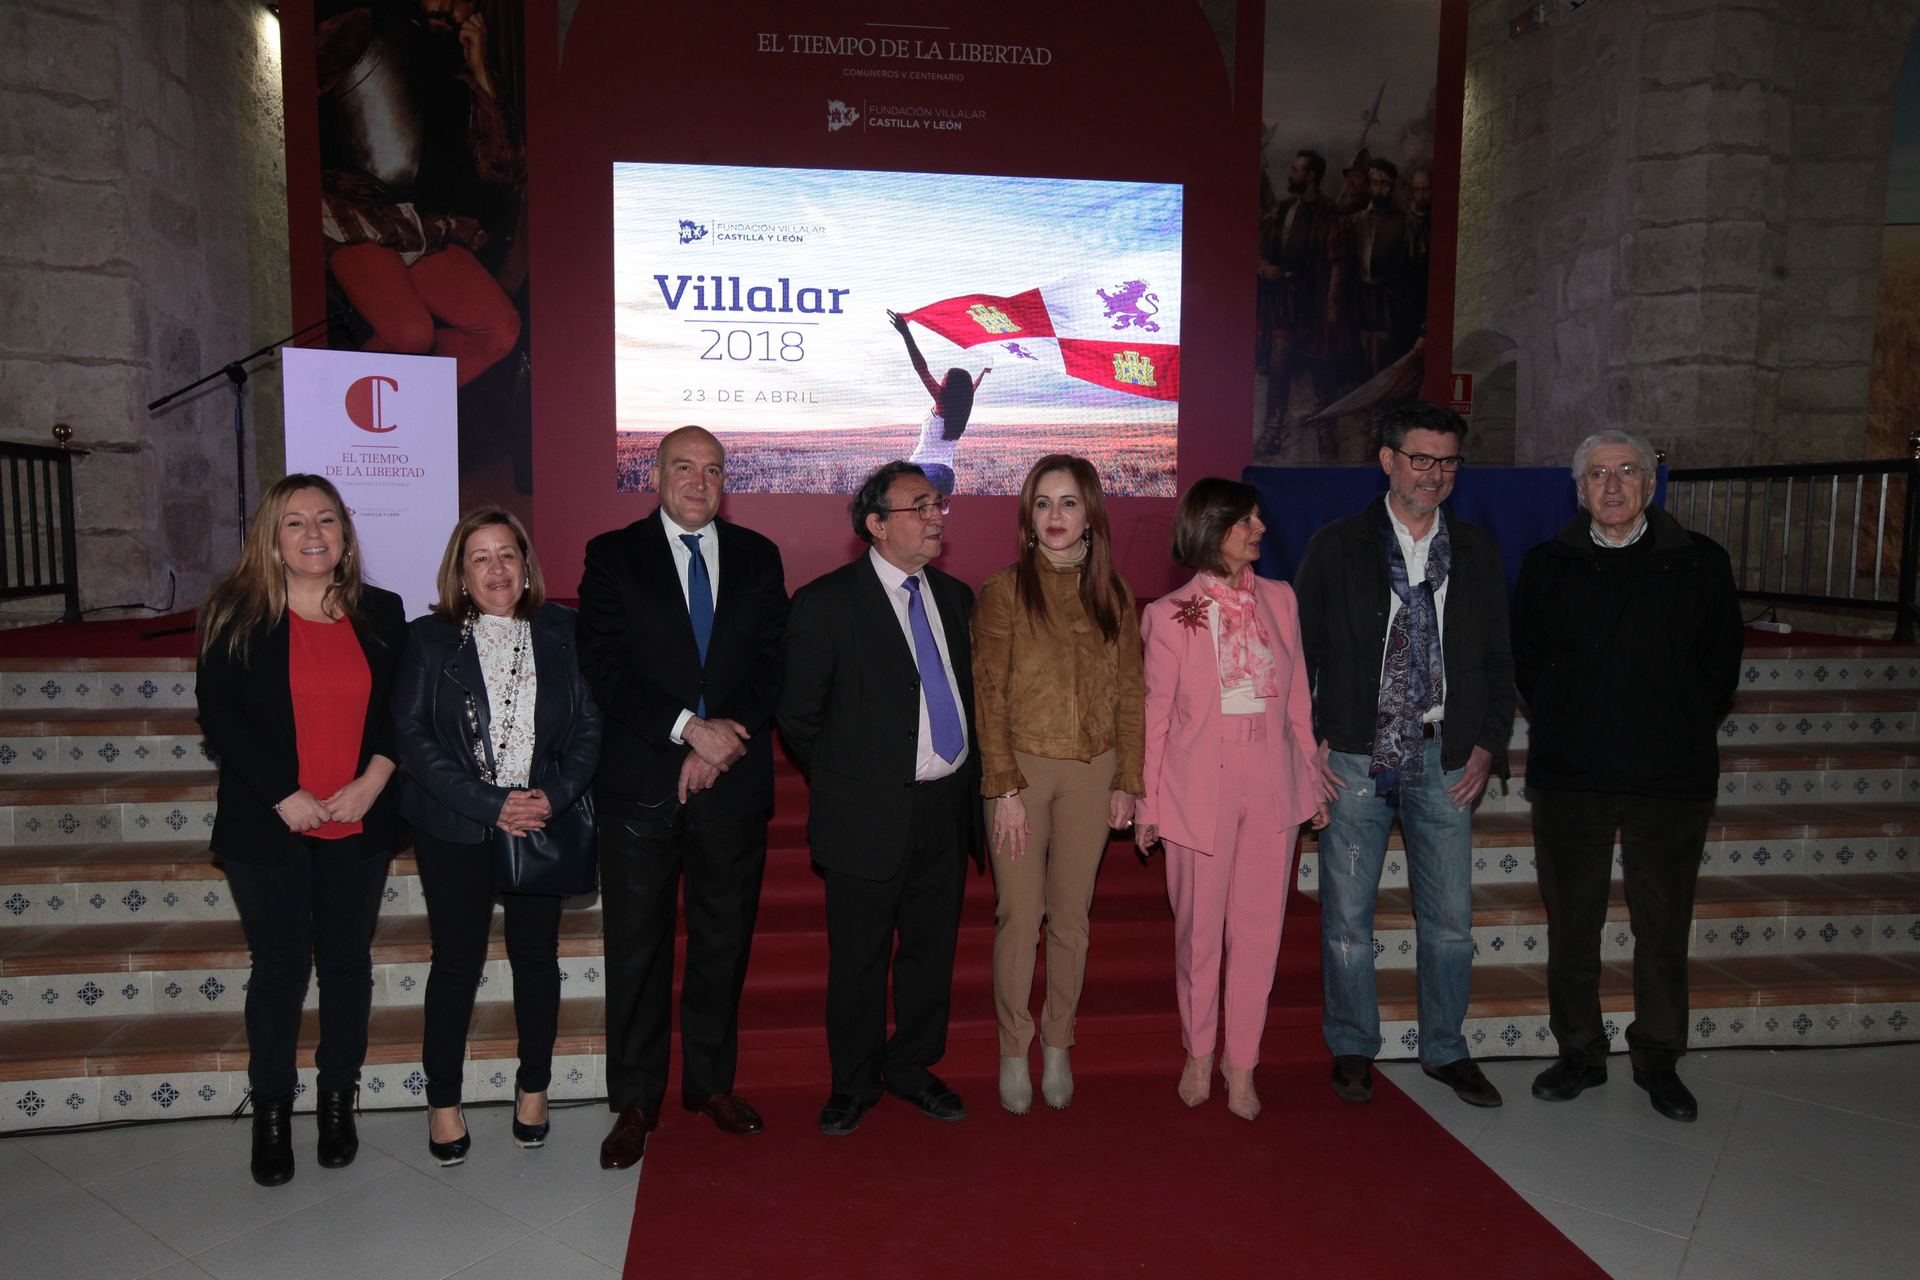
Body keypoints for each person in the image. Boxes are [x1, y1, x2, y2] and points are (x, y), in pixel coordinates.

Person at [577, 426, 789, 1171]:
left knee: (721, 942)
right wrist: (687, 730)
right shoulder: (612, 556)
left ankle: (710, 1085)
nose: (698, 481)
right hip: (642, 784)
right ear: (655, 475)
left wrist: (721, 742)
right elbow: (604, 666)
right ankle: (636, 1101)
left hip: (731, 784)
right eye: (683, 467)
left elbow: (772, 664)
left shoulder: (760, 557)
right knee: (637, 948)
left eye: (712, 469)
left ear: (725, 482)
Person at [1514, 430, 1743, 1123]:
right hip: (1571, 776)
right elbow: (1527, 665)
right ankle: (1580, 1052)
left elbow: (1719, 669)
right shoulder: (1546, 564)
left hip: (1668, 776)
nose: (1611, 486)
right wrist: (1569, 721)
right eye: (1597, 475)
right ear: (1578, 489)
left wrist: (1672, 726)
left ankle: (1659, 1058)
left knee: (1664, 926)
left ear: (1651, 484)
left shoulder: (1700, 563)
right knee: (1573, 926)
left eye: (1627, 472)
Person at [1294, 400, 1513, 1109]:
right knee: (1348, 919)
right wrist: (1309, 740)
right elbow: (1302, 651)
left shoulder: (1477, 549)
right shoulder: (1335, 545)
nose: (1434, 474)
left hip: (1445, 757)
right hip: (1356, 756)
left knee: (1449, 921)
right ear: (1387, 460)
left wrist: (1487, 743)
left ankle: (1446, 1048)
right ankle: (1354, 1043)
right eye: (1420, 458)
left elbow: (1499, 656)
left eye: (1447, 461)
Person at [195, 474, 407, 1187]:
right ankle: (274, 1111)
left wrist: (374, 781)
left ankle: (339, 1102)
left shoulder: (382, 609)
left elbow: (400, 712)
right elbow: (220, 715)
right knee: (281, 968)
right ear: (272, 537)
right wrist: (284, 794)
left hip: (356, 818)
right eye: (295, 522)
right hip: (270, 824)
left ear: (345, 533)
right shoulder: (236, 610)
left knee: (347, 965)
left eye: (327, 519)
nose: (313, 533)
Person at [391, 509, 603, 1165]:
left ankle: (533, 1089)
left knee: (537, 959)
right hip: (455, 825)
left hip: (542, 818)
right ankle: (444, 1101)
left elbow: (592, 726)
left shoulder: (566, 630)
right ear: (460, 572)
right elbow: (413, 740)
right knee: (456, 962)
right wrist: (491, 805)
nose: (496, 569)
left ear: (526, 563)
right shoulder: (426, 639)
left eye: (507, 554)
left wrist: (554, 796)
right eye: (479, 558)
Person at [778, 461, 981, 1136]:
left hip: (944, 809)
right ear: (876, 524)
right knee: (860, 958)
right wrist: (854, 781)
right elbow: (799, 717)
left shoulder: (955, 598)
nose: (936, 516)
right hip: (864, 813)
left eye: (938, 504)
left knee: (930, 952)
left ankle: (913, 1066)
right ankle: (855, 1082)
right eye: (920, 506)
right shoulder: (827, 602)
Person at [1134, 479, 1327, 1121]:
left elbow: (1299, 697)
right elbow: (1155, 717)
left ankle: (1241, 1064)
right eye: (1246, 521)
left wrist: (1312, 779)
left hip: (1273, 778)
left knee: (1259, 932)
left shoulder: (1282, 598)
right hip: (1196, 786)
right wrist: (1149, 804)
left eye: (1257, 520)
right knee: (1198, 933)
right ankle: (1198, 1053)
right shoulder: (1167, 614)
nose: (1260, 530)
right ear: (1212, 530)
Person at [972, 455, 1144, 1113]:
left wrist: (1128, 779)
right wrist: (1004, 789)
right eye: (1042, 504)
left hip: (1093, 773)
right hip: (1020, 771)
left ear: (1091, 514)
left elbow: (1132, 691)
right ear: (1027, 515)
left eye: (1068, 503)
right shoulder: (1004, 592)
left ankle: (1058, 1043)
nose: (1054, 517)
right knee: (1021, 917)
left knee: (1072, 917)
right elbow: (989, 691)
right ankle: (1013, 1048)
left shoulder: (1116, 595)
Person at [887, 309, 990, 496]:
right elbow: (971, 390)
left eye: (944, 376)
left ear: (947, 385)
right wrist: (982, 373)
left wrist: (905, 333)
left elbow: (921, 368)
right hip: (946, 475)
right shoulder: (963, 405)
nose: (940, 378)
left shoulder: (942, 401)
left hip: (923, 472)